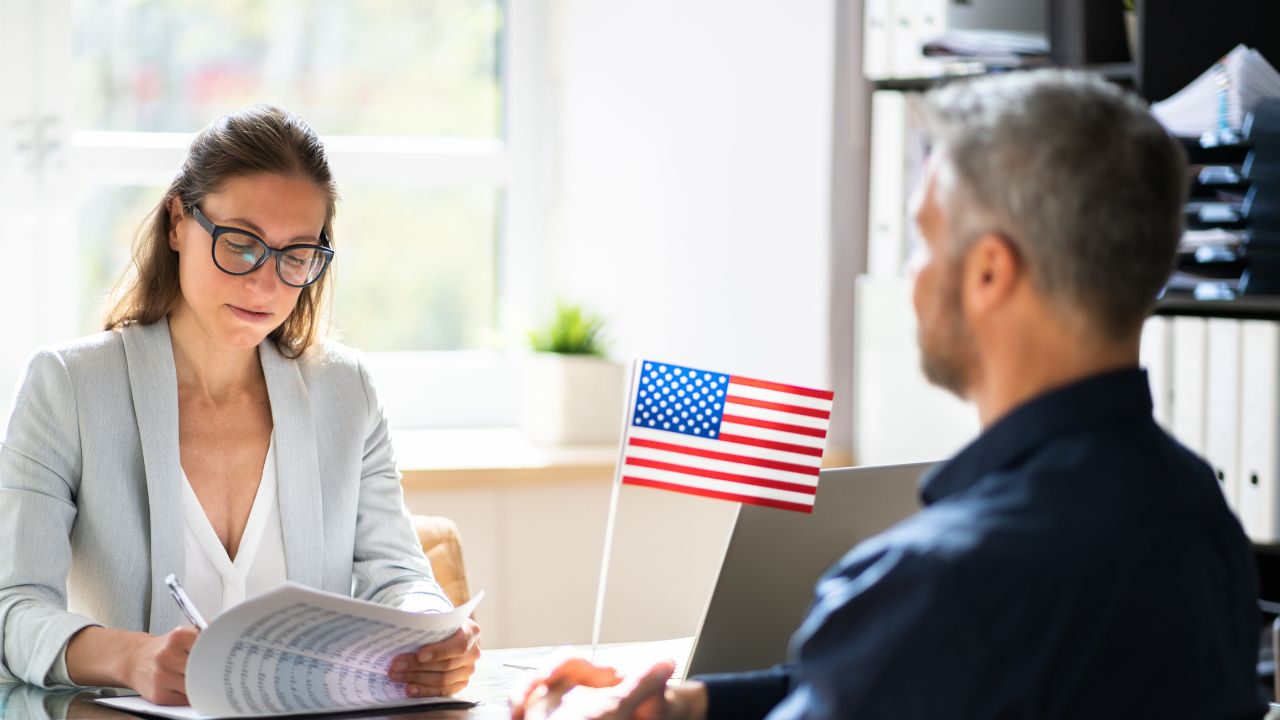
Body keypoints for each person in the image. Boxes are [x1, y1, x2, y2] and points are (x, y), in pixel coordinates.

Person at [512, 70, 1268, 719]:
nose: (911, 273)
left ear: (988, 274)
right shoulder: (1204, 520)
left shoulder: (941, 581)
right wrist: (694, 703)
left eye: (924, 239)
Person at [0, 106, 479, 705]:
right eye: (241, 243)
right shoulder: (67, 386)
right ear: (178, 222)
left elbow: (400, 575)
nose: (265, 284)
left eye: (297, 253)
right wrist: (132, 657)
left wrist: (434, 628)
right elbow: (12, 611)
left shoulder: (346, 391)